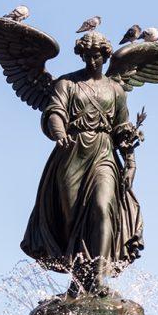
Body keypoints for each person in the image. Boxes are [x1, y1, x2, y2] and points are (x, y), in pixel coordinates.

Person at [21, 31, 144, 296]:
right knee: (72, 216)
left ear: (105, 55)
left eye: (97, 55)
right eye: (87, 56)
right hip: (71, 153)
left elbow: (122, 128)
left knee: (102, 206)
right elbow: (55, 111)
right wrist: (59, 132)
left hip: (103, 154)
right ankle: (78, 281)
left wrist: (131, 160)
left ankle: (98, 277)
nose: (92, 60)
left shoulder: (115, 90)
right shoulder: (67, 84)